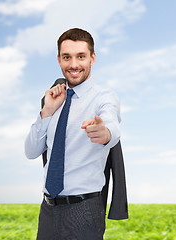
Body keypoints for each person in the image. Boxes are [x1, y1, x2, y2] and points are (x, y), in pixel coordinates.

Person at [25, 28, 123, 240]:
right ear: (59, 59)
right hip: (48, 209)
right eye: (67, 57)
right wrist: (47, 112)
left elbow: (112, 127)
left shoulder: (103, 98)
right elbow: (31, 151)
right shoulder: (52, 98)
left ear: (92, 58)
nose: (74, 65)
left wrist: (104, 132)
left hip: (85, 210)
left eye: (81, 56)